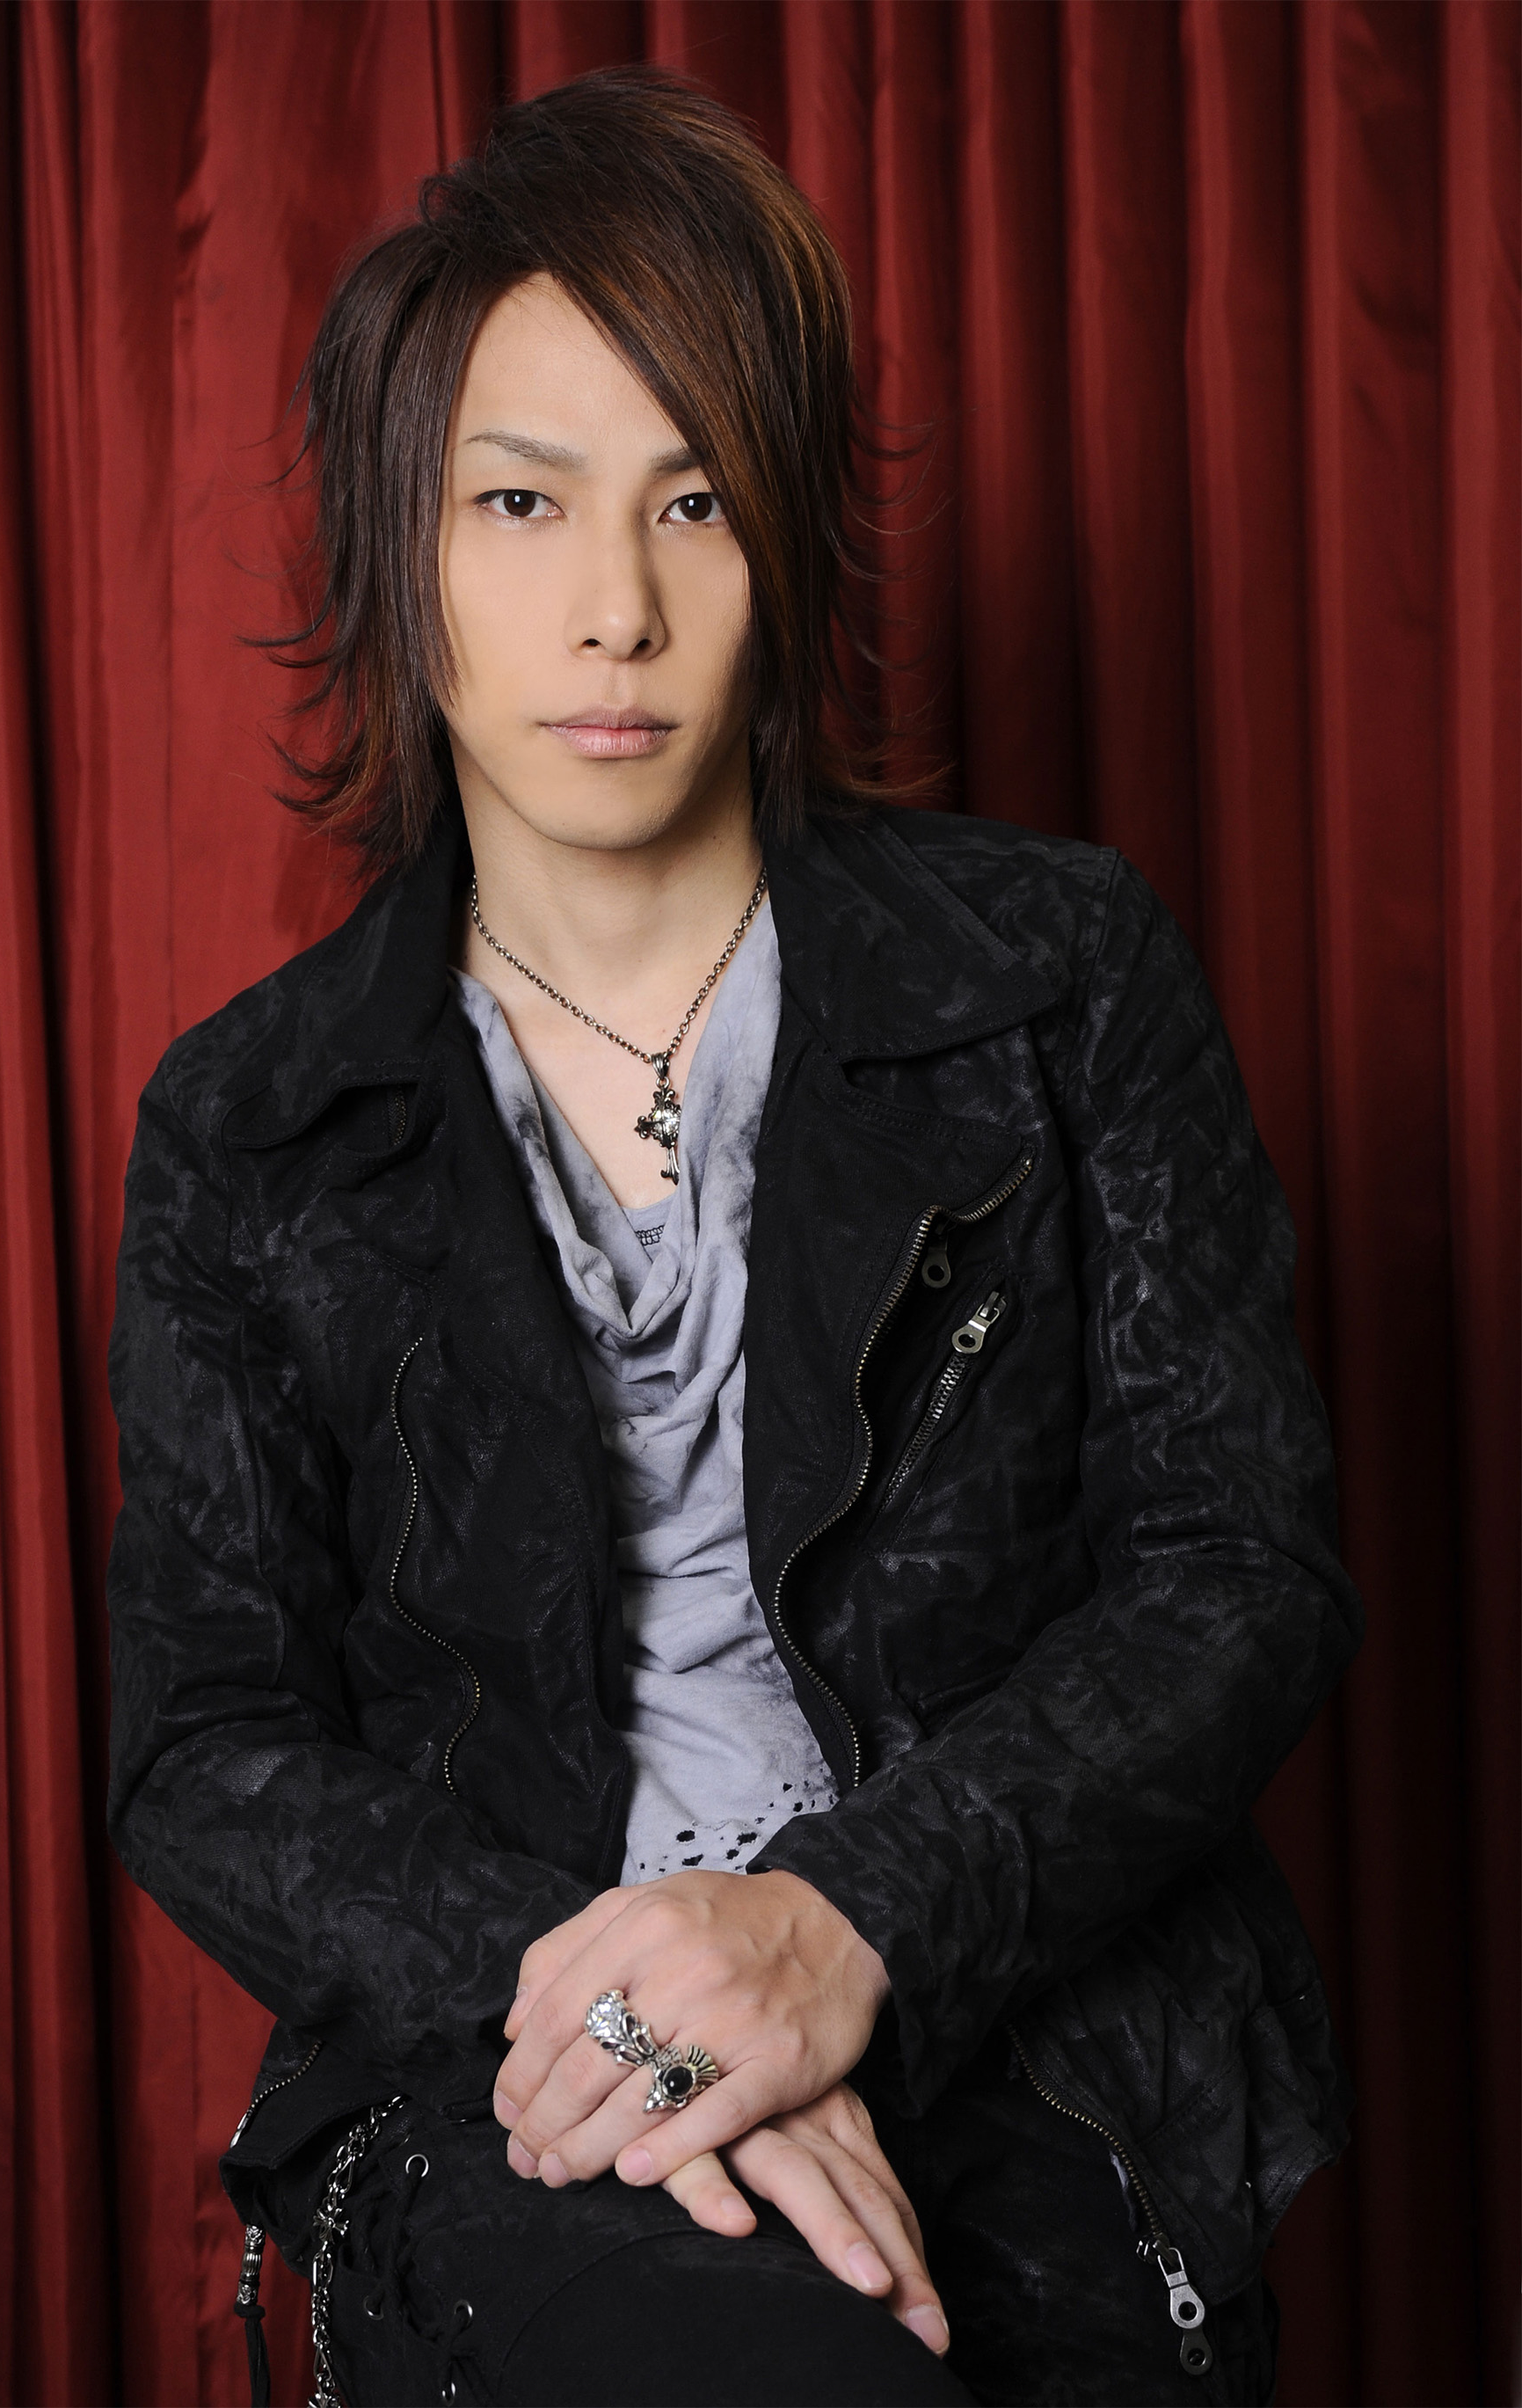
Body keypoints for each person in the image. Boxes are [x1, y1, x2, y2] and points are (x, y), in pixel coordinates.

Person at [106, 66, 1360, 2408]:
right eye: (521, 501)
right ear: (400, 547)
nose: (617, 606)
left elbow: (1238, 1567)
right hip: (515, 2065)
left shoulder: (1060, 976)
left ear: (783, 538)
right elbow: (206, 1743)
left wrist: (844, 1924)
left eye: (694, 500)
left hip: (1037, 2030)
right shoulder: (253, 1123)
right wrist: (640, 2008)